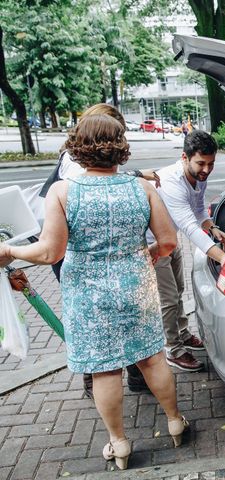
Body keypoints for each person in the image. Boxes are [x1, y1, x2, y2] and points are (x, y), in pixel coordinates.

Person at [0, 115, 189, 470]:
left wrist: (10, 252)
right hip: (136, 285)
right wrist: (142, 256)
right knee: (151, 358)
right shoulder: (142, 188)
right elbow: (167, 242)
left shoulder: (63, 191)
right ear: (120, 147)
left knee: (104, 370)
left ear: (78, 147)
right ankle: (175, 421)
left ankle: (119, 444)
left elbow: (49, 252)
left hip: (88, 295)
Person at [36, 103, 160, 399]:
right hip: (73, 248)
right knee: (96, 328)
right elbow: (90, 181)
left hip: (93, 254)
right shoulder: (72, 165)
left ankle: (129, 376)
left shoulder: (91, 167)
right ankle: (95, 377)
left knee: (114, 321)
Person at [148, 130, 225, 372]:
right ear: (185, 157)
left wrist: (213, 228)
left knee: (178, 290)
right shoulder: (172, 181)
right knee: (168, 298)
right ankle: (172, 348)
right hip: (153, 244)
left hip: (169, 239)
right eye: (201, 163)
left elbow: (198, 210)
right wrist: (223, 258)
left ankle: (183, 334)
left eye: (211, 164)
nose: (206, 170)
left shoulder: (198, 177)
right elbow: (189, 227)